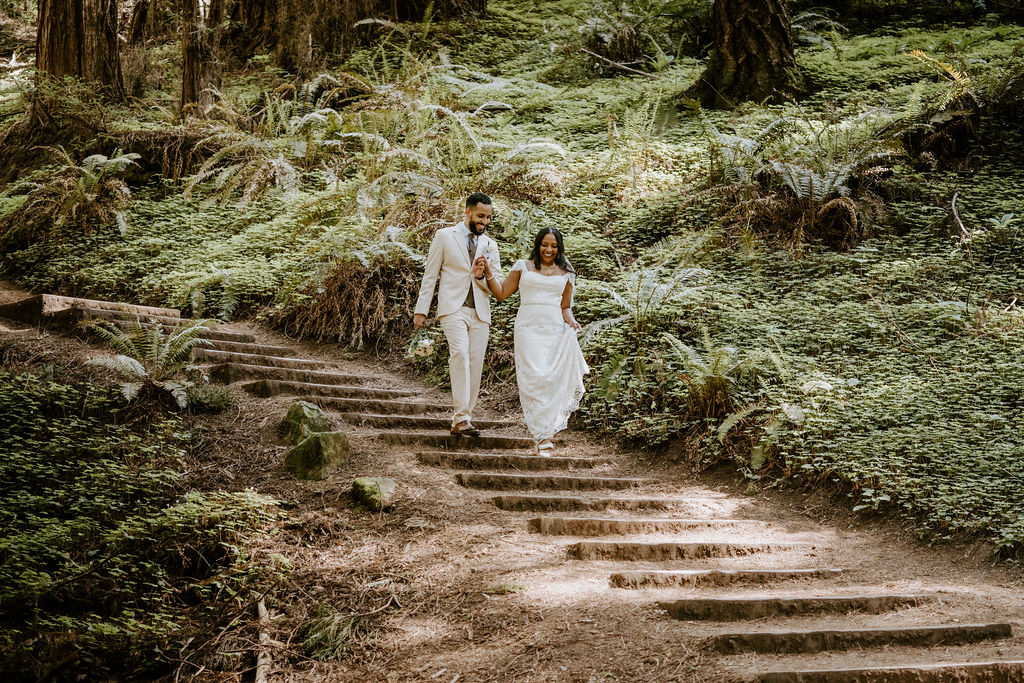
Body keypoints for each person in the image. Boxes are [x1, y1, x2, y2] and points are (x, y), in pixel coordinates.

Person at [477, 227, 589, 454]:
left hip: (555, 329)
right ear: (538, 244)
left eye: (554, 246)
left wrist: (572, 321)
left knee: (550, 379)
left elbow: (565, 306)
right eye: (545, 244)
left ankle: (546, 435)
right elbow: (501, 293)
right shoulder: (522, 266)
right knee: (534, 378)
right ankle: (541, 433)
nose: (549, 249)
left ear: (559, 248)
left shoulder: (567, 272)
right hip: (528, 328)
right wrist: (488, 270)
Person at [413, 193, 502, 437]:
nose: (484, 222)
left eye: (488, 218)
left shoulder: (491, 245)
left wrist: (481, 275)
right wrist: (421, 310)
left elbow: (497, 285)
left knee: (475, 364)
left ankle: (462, 419)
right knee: (460, 355)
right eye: (480, 216)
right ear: (468, 213)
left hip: (480, 311)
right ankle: (462, 417)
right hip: (453, 308)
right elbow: (430, 275)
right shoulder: (444, 236)